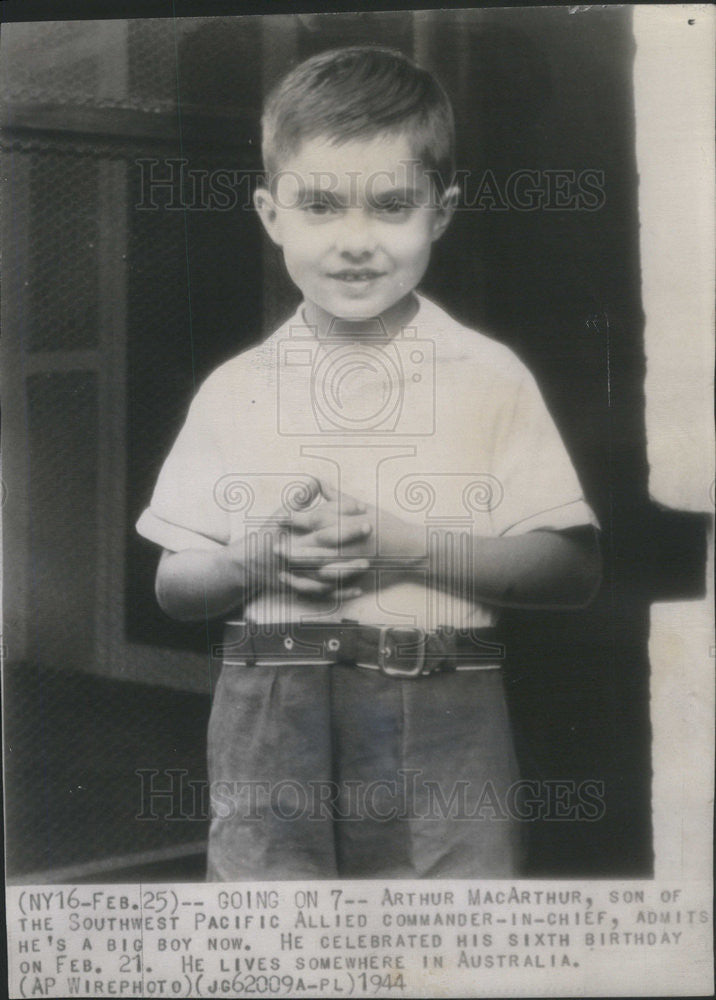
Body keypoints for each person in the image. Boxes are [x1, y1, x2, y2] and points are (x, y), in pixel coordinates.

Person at [136, 46, 601, 880]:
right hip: (269, 712)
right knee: (276, 938)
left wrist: (408, 546)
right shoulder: (233, 389)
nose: (356, 243)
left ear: (442, 210)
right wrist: (254, 558)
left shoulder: (488, 375)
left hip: (443, 704)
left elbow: (572, 569)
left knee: (448, 943)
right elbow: (173, 586)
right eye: (319, 206)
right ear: (270, 214)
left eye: (391, 206)